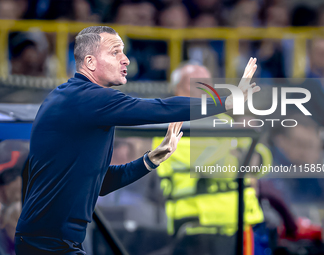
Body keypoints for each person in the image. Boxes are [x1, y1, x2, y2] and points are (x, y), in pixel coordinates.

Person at [15, 26, 259, 254]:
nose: (126, 59)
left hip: (50, 239)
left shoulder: (80, 102)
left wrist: (149, 160)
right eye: (115, 52)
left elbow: (100, 183)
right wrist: (225, 102)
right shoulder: (88, 99)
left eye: (124, 52)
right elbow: (158, 108)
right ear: (90, 62)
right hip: (48, 242)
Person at [152, 64, 269, 255]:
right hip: (199, 229)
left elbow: (261, 160)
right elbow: (221, 169)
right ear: (179, 89)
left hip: (245, 224)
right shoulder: (171, 128)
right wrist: (237, 146)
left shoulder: (224, 122)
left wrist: (238, 150)